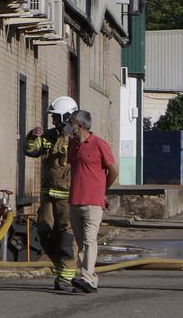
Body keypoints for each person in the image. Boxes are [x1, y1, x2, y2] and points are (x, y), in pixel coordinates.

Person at [23, 95, 80, 290]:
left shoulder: (75, 138)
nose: (53, 120)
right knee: (45, 232)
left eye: (56, 117)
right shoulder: (48, 137)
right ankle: (60, 269)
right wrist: (32, 136)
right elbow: (31, 151)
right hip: (48, 197)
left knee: (65, 237)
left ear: (66, 116)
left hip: (67, 197)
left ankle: (65, 277)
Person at [66, 109, 117, 294]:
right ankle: (89, 278)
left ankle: (87, 278)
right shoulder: (73, 145)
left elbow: (113, 170)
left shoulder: (99, 144)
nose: (68, 126)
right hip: (75, 200)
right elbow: (73, 168)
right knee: (81, 243)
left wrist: (102, 190)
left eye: (70, 123)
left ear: (80, 126)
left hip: (93, 202)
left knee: (89, 240)